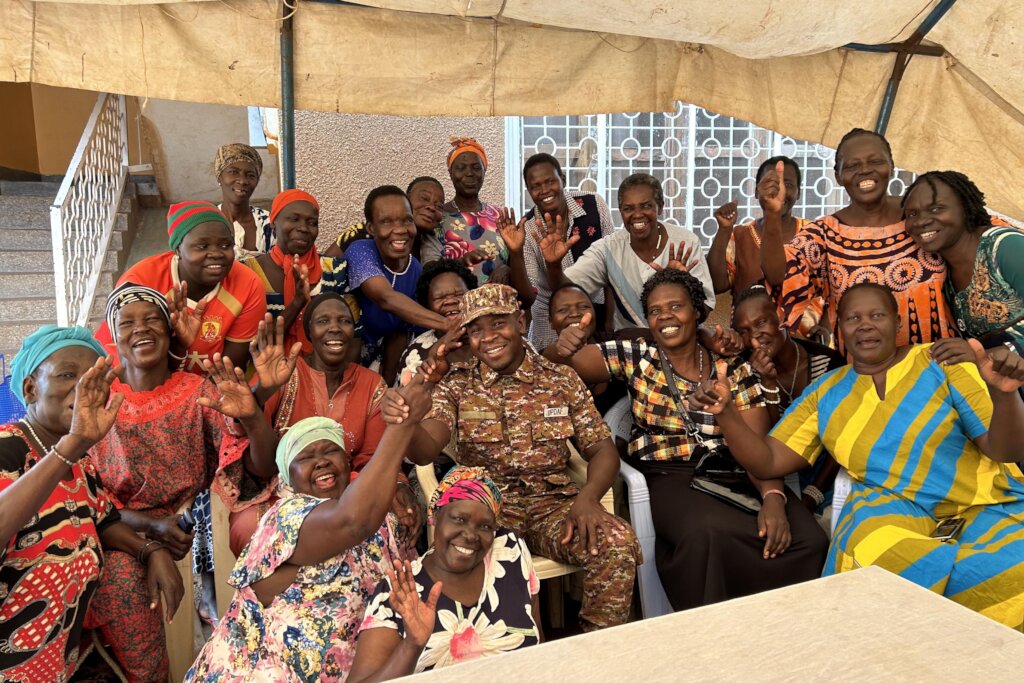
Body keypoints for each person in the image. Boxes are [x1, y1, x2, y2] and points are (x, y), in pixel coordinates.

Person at [701, 282, 1024, 630]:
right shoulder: (824, 393)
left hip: (983, 502)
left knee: (1012, 564)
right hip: (891, 508)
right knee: (877, 555)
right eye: (853, 318)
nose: (865, 325)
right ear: (841, 329)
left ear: (897, 323)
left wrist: (1006, 395)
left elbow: (1004, 449)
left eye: (877, 315)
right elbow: (768, 460)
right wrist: (727, 413)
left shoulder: (942, 363)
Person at [550, 269, 828, 610]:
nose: (665, 316)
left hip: (738, 471)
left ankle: (784, 625)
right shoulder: (638, 356)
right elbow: (560, 363)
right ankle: (714, 635)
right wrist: (564, 346)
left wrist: (773, 498)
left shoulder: (735, 367)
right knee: (707, 533)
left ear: (697, 312)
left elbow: (757, 447)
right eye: (654, 310)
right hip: (670, 475)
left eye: (675, 306)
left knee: (808, 539)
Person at [390, 283, 641, 631]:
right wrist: (407, 415)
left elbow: (601, 450)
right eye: (476, 330)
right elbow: (425, 449)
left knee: (616, 543)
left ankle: (596, 647)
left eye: (498, 324)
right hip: (488, 512)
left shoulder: (560, 378)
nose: (488, 337)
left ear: (520, 322)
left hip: (555, 507)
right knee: (458, 551)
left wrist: (588, 498)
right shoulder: (456, 385)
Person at [86, 284, 280, 681]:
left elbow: (255, 471)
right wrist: (151, 535)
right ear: (114, 337)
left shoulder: (198, 392)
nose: (141, 329)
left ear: (170, 329)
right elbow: (93, 503)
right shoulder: (102, 408)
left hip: (199, 525)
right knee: (118, 578)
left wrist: (253, 416)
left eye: (152, 318)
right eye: (128, 323)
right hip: (128, 531)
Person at [186, 376, 434, 682]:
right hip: (255, 673)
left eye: (330, 452)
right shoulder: (285, 519)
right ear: (287, 479)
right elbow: (352, 520)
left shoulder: (383, 520)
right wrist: (401, 426)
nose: (321, 462)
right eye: (305, 457)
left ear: (347, 462)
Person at [0, 326, 181, 681]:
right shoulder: (9, 449)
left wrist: (150, 550)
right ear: (30, 388)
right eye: (68, 374)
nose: (83, 387)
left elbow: (103, 519)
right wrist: (70, 446)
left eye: (92, 377)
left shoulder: (80, 465)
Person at [224, 294, 422, 557]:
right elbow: (255, 454)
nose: (335, 328)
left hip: (348, 490)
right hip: (280, 491)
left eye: (344, 321)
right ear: (309, 332)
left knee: (395, 519)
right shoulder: (282, 373)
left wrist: (397, 485)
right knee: (248, 526)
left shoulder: (371, 383)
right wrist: (263, 390)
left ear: (353, 330)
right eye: (323, 321)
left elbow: (372, 457)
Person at [760, 128, 953, 355]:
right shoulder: (825, 235)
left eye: (875, 161)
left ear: (891, 166)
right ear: (838, 175)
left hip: (940, 371)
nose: (865, 170)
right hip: (865, 378)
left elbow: (980, 248)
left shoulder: (924, 217)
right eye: (852, 166)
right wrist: (772, 215)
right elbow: (779, 276)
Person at [350, 467, 540, 680]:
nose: (470, 535)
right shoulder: (398, 591)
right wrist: (411, 646)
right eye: (459, 519)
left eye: (485, 526)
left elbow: (538, 647)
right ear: (435, 516)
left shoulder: (510, 553)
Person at [95, 200, 267, 372]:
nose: (216, 254)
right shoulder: (141, 282)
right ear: (177, 249)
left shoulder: (248, 284)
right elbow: (134, 367)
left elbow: (231, 367)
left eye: (225, 245)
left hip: (210, 387)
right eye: (202, 246)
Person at [538, 173, 716, 334]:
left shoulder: (685, 242)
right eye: (628, 209)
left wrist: (682, 285)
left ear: (660, 207)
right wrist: (553, 264)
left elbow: (705, 309)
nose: (637, 215)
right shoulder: (607, 249)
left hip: (680, 341)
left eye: (646, 206)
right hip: (630, 349)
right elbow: (565, 290)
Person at [731, 285, 845, 511]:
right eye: (743, 331)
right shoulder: (745, 370)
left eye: (761, 322)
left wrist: (814, 493)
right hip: (772, 473)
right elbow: (768, 443)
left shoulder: (827, 362)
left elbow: (841, 434)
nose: (754, 336)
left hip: (825, 469)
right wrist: (768, 383)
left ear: (781, 317)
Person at [903, 170, 1024, 359]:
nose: (920, 221)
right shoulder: (943, 273)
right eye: (911, 214)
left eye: (936, 209)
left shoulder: (1005, 247)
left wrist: (992, 352)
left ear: (965, 208)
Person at [707, 156, 825, 340]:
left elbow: (830, 293)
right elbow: (716, 284)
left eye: (789, 184)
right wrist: (724, 229)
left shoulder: (814, 236)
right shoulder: (740, 236)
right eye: (772, 183)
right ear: (756, 192)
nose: (780, 191)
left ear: (799, 193)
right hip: (750, 344)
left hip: (806, 345)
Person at [343, 186, 450, 383]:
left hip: (378, 362)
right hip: (342, 362)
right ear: (371, 228)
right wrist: (445, 323)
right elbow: (386, 298)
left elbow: (402, 328)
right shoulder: (360, 252)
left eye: (407, 220)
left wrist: (387, 383)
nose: (400, 230)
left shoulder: (414, 268)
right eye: (386, 222)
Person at [518, 153, 616, 348]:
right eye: (535, 186)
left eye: (550, 181)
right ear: (528, 190)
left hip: (595, 307)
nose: (544, 190)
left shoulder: (594, 205)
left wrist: (609, 318)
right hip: (550, 316)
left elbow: (611, 264)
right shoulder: (528, 228)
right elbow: (531, 289)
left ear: (562, 179)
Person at [241, 189, 350, 353]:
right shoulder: (249, 271)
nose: (304, 228)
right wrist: (297, 301)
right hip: (268, 371)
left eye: (312, 223)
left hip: (325, 373)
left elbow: (353, 337)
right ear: (273, 223)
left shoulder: (336, 270)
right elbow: (253, 346)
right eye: (294, 219)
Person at [428, 137, 510, 284]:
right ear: (450, 173)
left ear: (484, 170)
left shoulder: (499, 215)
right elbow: (429, 271)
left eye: (476, 167)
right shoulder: (437, 218)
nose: (469, 173)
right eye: (460, 168)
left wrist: (507, 269)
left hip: (497, 303)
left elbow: (516, 259)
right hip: (453, 302)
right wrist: (462, 261)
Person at [543, 283, 628, 418]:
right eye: (563, 310)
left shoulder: (616, 342)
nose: (575, 313)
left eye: (584, 307)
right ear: (551, 322)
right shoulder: (543, 361)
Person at [397, 258, 479, 387]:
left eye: (459, 294)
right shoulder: (416, 352)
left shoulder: (489, 336)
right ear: (427, 305)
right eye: (440, 298)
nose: (450, 301)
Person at [326, 177, 446, 263]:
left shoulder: (433, 243)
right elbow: (324, 264)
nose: (431, 207)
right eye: (424, 198)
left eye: (439, 205)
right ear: (406, 200)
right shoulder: (364, 234)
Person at [214, 143, 272, 260]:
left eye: (250, 175)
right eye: (233, 172)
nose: (242, 181)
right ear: (219, 177)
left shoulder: (269, 223)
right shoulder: (205, 222)